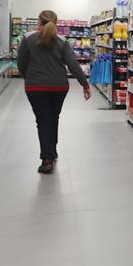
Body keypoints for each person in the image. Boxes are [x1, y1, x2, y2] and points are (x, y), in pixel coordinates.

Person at [16, 9, 91, 174]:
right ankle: (52, 150)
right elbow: (73, 65)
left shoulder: (28, 39)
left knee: (43, 121)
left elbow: (21, 62)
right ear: (55, 23)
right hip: (59, 87)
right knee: (53, 118)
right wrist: (84, 84)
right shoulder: (62, 41)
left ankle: (47, 159)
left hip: (35, 87)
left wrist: (27, 76)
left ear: (39, 22)